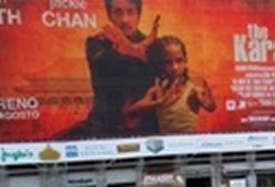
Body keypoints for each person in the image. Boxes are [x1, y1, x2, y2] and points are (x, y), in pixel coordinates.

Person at [77, 0, 163, 137]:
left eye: (130, 12)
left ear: (138, 15)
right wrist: (130, 50)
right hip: (106, 126)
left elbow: (159, 68)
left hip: (146, 127)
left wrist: (130, 49)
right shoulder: (96, 44)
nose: (124, 19)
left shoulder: (154, 45)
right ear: (109, 16)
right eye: (118, 12)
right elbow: (103, 67)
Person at [123, 36, 216, 134]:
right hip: (167, 145)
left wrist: (202, 98)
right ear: (160, 64)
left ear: (185, 60)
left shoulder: (195, 84)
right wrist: (155, 103)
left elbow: (211, 107)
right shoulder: (157, 89)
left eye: (179, 61)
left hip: (190, 145)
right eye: (168, 62)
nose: (175, 67)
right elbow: (130, 112)